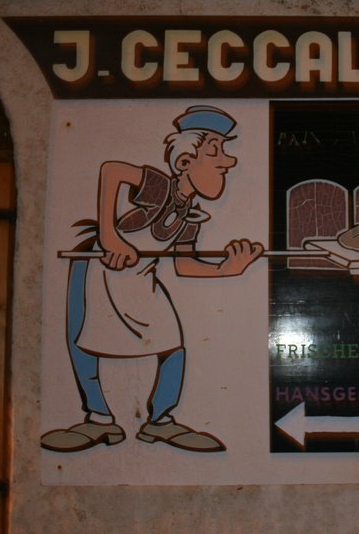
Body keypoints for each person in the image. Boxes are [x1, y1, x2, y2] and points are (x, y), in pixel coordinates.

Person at [41, 105, 263, 453]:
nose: (227, 162)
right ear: (185, 161)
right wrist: (110, 237)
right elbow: (112, 171)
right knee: (83, 339)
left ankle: (160, 421)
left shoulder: (191, 216)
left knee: (172, 342)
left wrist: (227, 269)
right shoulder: (159, 187)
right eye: (215, 152)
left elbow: (184, 265)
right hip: (102, 268)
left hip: (142, 279)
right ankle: (98, 418)